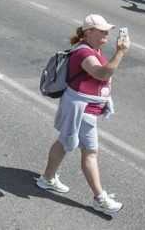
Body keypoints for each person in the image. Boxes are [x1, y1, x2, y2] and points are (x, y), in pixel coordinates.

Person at [36, 15, 129, 215]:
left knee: (63, 142)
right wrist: (120, 52)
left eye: (107, 30)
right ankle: (99, 198)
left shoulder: (93, 49)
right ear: (89, 32)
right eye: (102, 30)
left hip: (83, 107)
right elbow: (102, 74)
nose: (107, 33)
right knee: (90, 153)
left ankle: (47, 179)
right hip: (82, 110)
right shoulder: (84, 53)